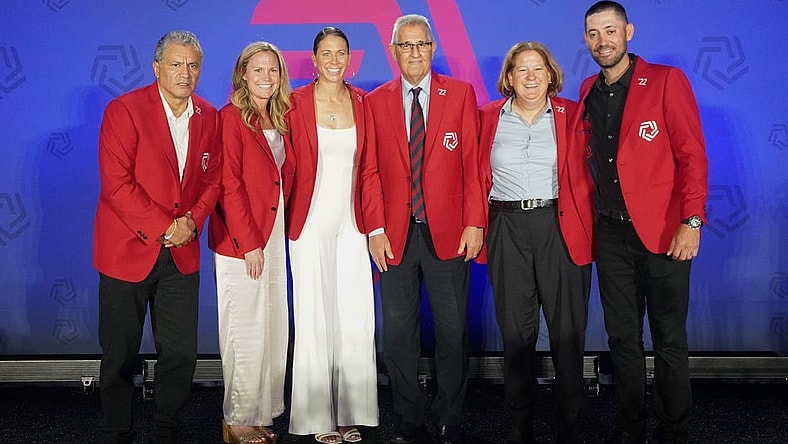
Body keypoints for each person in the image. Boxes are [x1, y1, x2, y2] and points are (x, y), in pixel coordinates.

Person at [576, 2, 709, 443]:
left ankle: (674, 427)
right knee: (622, 339)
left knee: (669, 338)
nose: (602, 41)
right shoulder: (585, 91)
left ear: (628, 31)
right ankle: (628, 425)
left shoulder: (667, 81)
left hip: (666, 232)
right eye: (593, 34)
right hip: (609, 235)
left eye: (610, 30)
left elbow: (692, 156)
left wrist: (691, 220)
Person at [361, 14, 486, 444]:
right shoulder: (375, 101)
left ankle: (449, 416)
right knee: (399, 334)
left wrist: (474, 221)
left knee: (452, 330)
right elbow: (370, 172)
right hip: (393, 235)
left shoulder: (461, 94)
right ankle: (410, 419)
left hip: (449, 232)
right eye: (405, 45)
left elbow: (474, 165)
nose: (414, 53)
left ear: (433, 48)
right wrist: (375, 228)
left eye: (421, 45)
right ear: (393, 51)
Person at [93, 30, 221, 444]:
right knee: (119, 355)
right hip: (127, 250)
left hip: (182, 253)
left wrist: (192, 222)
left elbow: (214, 179)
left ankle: (167, 428)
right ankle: (116, 431)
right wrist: (166, 225)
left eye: (193, 65)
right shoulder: (124, 110)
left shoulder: (208, 115)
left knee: (181, 353)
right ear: (157, 67)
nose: (186, 73)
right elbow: (116, 184)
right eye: (176, 64)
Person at [478, 41, 594, 444]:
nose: (530, 77)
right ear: (508, 78)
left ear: (551, 75)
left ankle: (568, 422)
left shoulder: (574, 115)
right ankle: (520, 422)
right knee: (516, 332)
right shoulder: (486, 119)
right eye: (521, 70)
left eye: (538, 69)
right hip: (506, 226)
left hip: (559, 226)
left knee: (567, 330)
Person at [285, 26, 379, 444]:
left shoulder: (363, 102)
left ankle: (349, 413)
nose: (335, 61)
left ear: (350, 58)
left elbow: (372, 168)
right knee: (314, 315)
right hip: (308, 220)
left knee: (355, 315)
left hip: (352, 220)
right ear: (315, 59)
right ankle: (316, 416)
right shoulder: (295, 102)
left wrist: (374, 225)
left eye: (341, 53)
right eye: (327, 53)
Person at [207, 41, 293, 444]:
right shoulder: (230, 118)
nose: (265, 77)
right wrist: (248, 242)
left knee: (271, 325)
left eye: (272, 70)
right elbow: (229, 184)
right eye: (257, 70)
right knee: (244, 326)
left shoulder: (278, 117)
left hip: (273, 234)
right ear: (243, 74)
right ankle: (237, 417)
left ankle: (261, 413)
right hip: (243, 239)